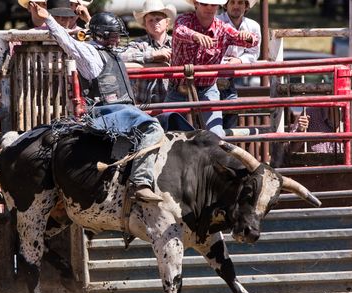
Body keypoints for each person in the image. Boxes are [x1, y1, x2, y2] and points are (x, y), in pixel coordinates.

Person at [29, 3, 165, 202]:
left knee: (170, 121)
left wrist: (88, 18)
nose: (117, 39)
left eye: (117, 34)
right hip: (106, 112)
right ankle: (140, 182)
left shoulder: (110, 50)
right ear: (102, 36)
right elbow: (67, 42)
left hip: (123, 111)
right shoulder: (89, 52)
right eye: (113, 35)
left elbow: (97, 32)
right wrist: (48, 18)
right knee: (152, 127)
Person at [164, 0, 259, 137]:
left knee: (216, 135)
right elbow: (179, 31)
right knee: (169, 134)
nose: (209, 8)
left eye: (213, 4)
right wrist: (196, 36)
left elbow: (251, 41)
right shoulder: (184, 20)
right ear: (196, 4)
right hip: (178, 89)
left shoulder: (222, 28)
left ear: (218, 6)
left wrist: (248, 37)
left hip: (207, 88)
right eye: (204, 4)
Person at [119, 0, 177, 105]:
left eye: (158, 19)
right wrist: (153, 55)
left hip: (171, 103)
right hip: (144, 104)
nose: (155, 23)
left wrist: (143, 63)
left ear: (167, 22)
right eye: (150, 20)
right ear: (145, 25)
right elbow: (121, 56)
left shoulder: (176, 43)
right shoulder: (139, 43)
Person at [216, 0, 261, 129]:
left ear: (246, 6)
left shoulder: (253, 26)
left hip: (233, 78)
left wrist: (239, 61)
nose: (236, 6)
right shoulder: (216, 22)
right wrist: (231, 62)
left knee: (230, 114)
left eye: (240, 2)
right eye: (233, 2)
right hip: (214, 78)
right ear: (226, 5)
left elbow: (253, 53)